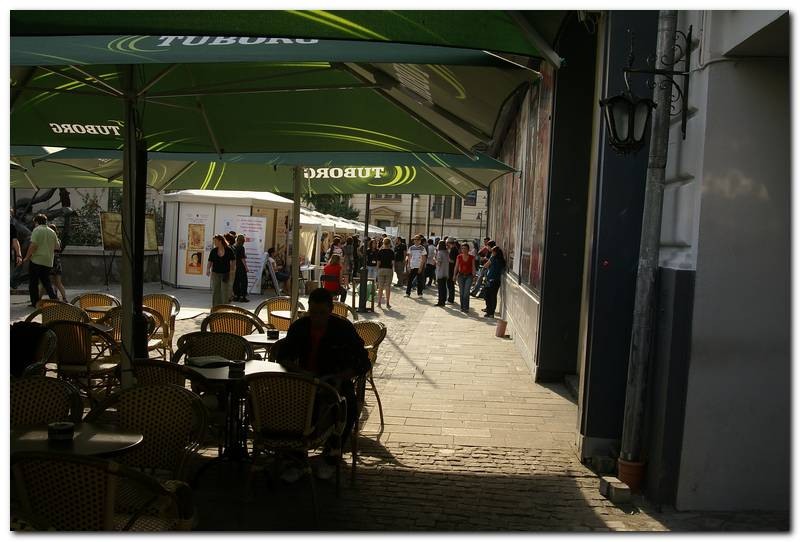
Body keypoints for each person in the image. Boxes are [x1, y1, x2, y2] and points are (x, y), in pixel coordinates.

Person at [272, 287, 370, 479]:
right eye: (313, 312)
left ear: (330, 310)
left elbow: (363, 361)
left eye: (322, 313)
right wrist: (301, 373)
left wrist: (341, 376)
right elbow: (283, 356)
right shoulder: (300, 327)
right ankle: (295, 456)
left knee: (348, 407)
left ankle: (331, 455)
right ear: (308, 309)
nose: (317, 318)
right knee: (284, 404)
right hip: (303, 381)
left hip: (335, 380)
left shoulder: (343, 329)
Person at [22, 214, 59, 307]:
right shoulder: (52, 232)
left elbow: (33, 245)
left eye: (35, 222)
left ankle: (35, 302)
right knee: (46, 282)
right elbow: (57, 247)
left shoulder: (37, 230)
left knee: (33, 282)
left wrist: (27, 257)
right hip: (48, 261)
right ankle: (55, 300)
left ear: (37, 222)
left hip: (36, 260)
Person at [206, 234, 236, 307]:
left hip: (225, 273)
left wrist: (232, 270)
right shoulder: (214, 251)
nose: (214, 243)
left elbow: (233, 260)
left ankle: (224, 307)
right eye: (214, 241)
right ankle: (215, 307)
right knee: (216, 290)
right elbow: (210, 261)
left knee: (224, 291)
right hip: (215, 273)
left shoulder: (228, 250)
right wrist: (208, 269)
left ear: (220, 241)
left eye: (215, 241)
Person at [44, 224, 68, 302]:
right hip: (57, 262)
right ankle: (64, 298)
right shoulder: (58, 240)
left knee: (50, 281)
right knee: (58, 282)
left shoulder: (49, 240)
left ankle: (55, 297)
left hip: (51, 261)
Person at [483, 246, 506, 318]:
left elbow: (485, 265)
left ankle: (489, 311)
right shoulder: (502, 260)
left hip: (490, 280)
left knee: (488, 296)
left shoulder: (492, 258)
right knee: (493, 297)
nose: (491, 253)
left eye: (492, 252)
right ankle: (491, 313)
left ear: (495, 252)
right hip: (497, 281)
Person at [454, 242, 476, 313]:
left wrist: (474, 276)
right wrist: (454, 275)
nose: (464, 250)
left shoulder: (472, 257)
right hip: (460, 276)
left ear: (468, 249)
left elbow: (473, 267)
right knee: (461, 293)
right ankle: (462, 307)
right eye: (462, 248)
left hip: (469, 276)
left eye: (465, 248)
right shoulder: (459, 257)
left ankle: (466, 307)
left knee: (466, 292)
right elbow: (456, 266)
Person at [376, 237, 395, 310]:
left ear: (383, 243)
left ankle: (379, 302)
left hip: (381, 269)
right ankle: (387, 303)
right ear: (389, 243)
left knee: (380, 287)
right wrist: (393, 270)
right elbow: (392, 263)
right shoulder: (391, 252)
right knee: (388, 287)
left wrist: (377, 270)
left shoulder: (380, 251)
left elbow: (378, 262)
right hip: (389, 269)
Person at [232, 234, 250, 302]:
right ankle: (243, 297)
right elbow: (242, 259)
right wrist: (246, 267)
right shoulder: (241, 247)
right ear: (243, 240)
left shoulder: (234, 247)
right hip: (241, 266)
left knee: (236, 281)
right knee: (243, 281)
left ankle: (236, 295)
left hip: (235, 266)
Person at [434, 240, 450, 307]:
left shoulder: (440, 252)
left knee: (440, 288)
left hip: (440, 272)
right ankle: (443, 301)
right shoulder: (447, 252)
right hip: (446, 272)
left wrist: (435, 260)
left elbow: (439, 262)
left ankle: (440, 301)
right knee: (444, 287)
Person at [447, 239, 459, 304]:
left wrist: (446, 257)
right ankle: (450, 298)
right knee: (451, 284)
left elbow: (452, 261)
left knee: (450, 284)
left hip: (452, 269)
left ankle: (450, 299)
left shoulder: (453, 250)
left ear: (449, 243)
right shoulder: (455, 249)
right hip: (452, 269)